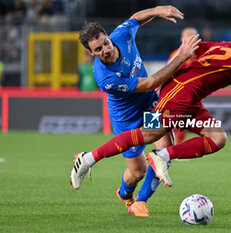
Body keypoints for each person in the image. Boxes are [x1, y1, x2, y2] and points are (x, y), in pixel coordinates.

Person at [72, 33, 231, 197]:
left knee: (217, 137)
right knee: (151, 132)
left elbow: (200, 48)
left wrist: (185, 61)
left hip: (190, 97)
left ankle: (161, 155)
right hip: (180, 93)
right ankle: (88, 158)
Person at [71, 5, 201, 217]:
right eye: (98, 50)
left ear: (108, 36)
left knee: (165, 150)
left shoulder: (121, 34)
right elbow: (150, 82)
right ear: (90, 52)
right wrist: (181, 56)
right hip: (126, 118)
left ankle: (140, 202)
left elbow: (135, 19)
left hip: (149, 104)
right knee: (137, 171)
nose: (105, 49)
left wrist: (158, 10)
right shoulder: (104, 77)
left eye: (105, 43)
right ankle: (125, 193)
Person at [167, 27, 198, 143]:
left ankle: (175, 148)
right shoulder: (175, 54)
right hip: (174, 93)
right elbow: (167, 70)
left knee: (185, 122)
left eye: (193, 35)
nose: (190, 37)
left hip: (192, 94)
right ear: (182, 38)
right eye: (187, 35)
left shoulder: (202, 54)